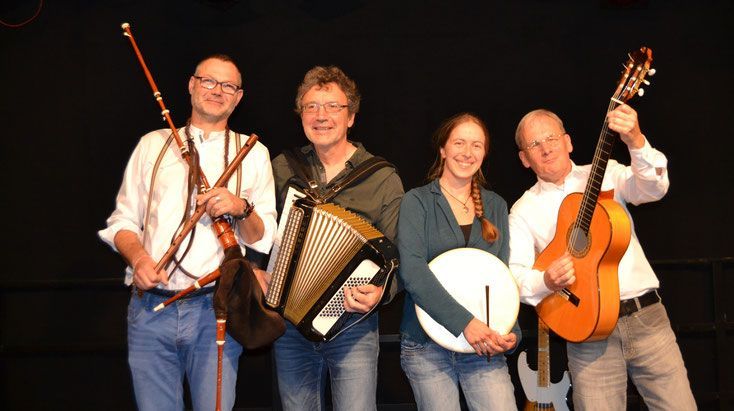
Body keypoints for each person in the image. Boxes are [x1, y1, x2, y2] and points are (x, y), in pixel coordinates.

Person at [98, 54, 277, 411]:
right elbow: (122, 222)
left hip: (216, 309)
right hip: (150, 310)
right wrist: (139, 258)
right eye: (209, 81)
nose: (217, 91)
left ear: (238, 97)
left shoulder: (254, 152)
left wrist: (240, 206)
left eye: (228, 86)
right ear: (192, 85)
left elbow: (262, 237)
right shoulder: (153, 144)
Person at [508, 107, 696, 410]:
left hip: (646, 318)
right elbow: (515, 277)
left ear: (568, 142)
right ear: (524, 158)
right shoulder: (522, 211)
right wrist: (546, 280)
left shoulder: (607, 174)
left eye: (552, 138)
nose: (546, 148)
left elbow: (654, 188)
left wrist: (636, 141)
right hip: (587, 335)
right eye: (534, 144)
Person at [258, 65, 404, 411]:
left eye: (332, 107)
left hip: (353, 325)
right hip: (289, 325)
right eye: (311, 107)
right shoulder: (282, 168)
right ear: (301, 115)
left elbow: (399, 255)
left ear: (350, 117)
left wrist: (382, 291)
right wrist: (254, 269)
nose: (321, 116)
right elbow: (257, 232)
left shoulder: (382, 178)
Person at [397, 113, 519, 411]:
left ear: (485, 153)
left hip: (484, 345)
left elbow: (501, 276)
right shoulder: (417, 201)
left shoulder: (496, 205)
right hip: (426, 347)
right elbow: (412, 272)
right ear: (443, 149)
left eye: (476, 145)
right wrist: (465, 323)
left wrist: (510, 331)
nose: (467, 152)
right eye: (459, 143)